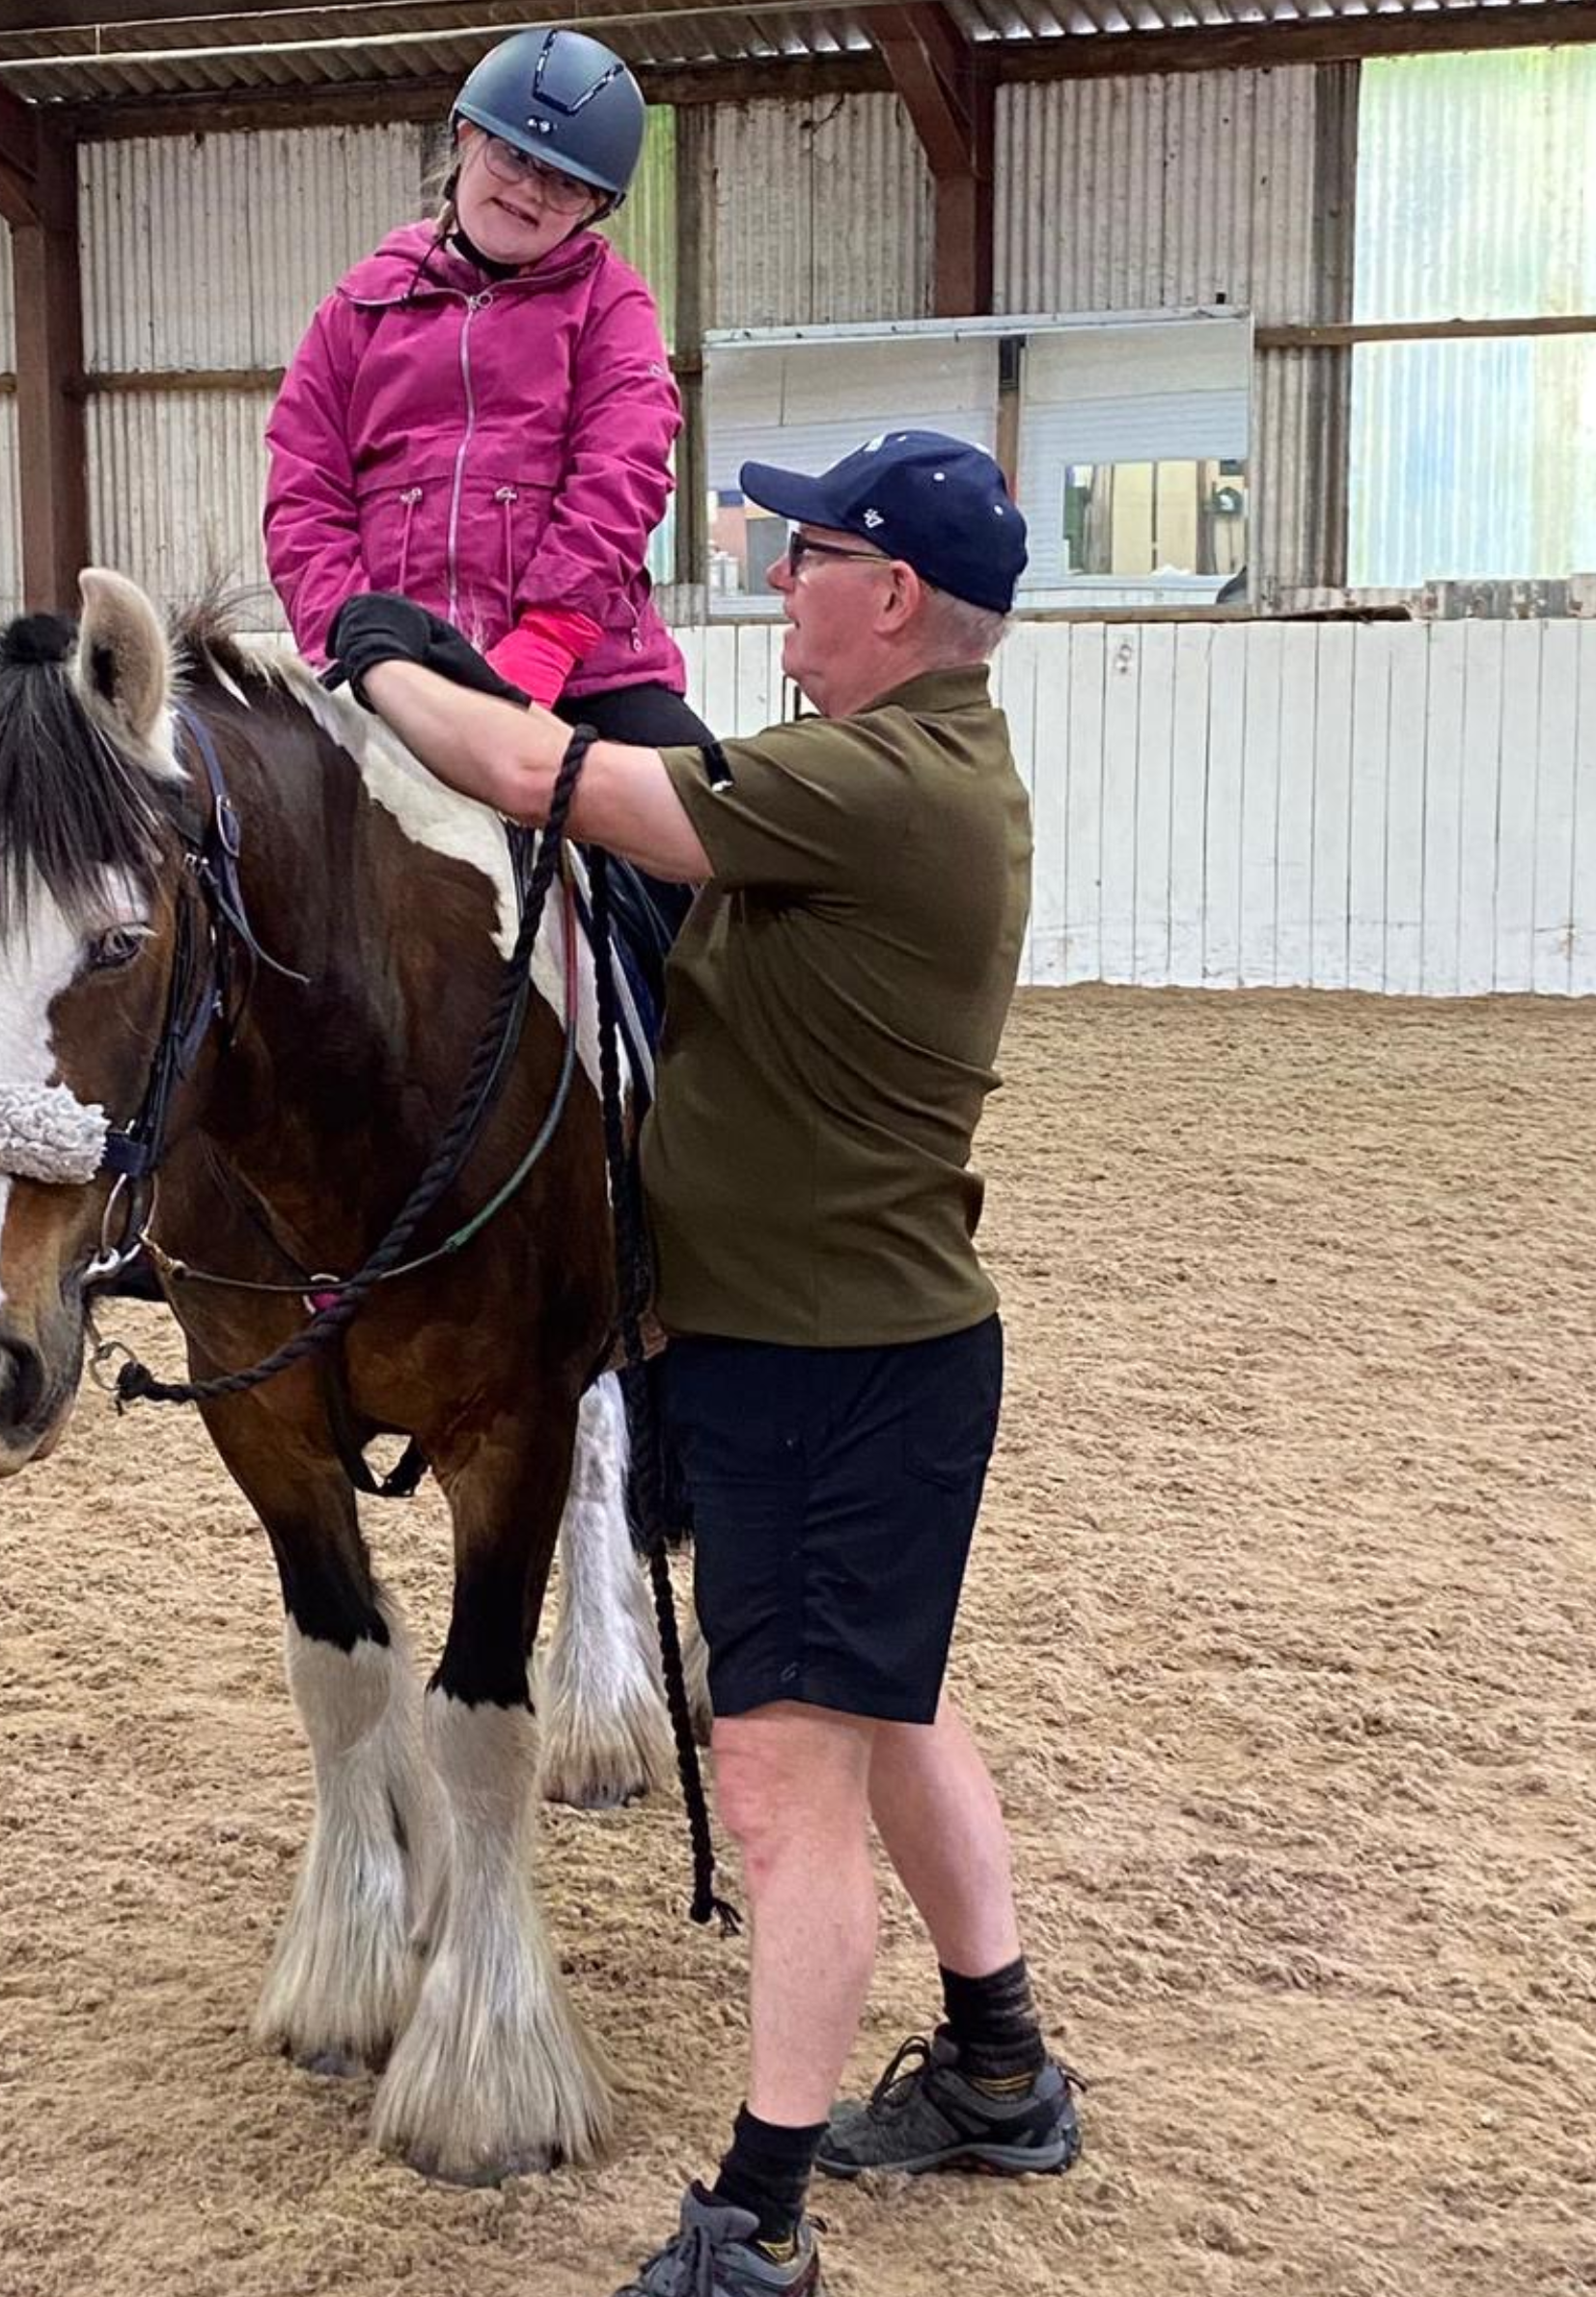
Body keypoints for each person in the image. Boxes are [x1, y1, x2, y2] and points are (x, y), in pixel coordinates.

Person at [324, 432, 1081, 2297]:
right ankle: (1002, 2070)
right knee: (887, 1708)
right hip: (865, 1348)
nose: (772, 571)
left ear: (891, 598)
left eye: (804, 548)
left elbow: (531, 775)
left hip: (824, 1366)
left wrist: (376, 649)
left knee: (778, 1787)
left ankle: (759, 2217)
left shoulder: (869, 783)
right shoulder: (923, 767)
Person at [263, 23, 712, 935]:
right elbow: (305, 488)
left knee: (717, 847)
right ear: (465, 136)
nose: (530, 191)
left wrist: (547, 639)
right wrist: (355, 639)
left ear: (594, 205)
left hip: (584, 674)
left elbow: (622, 470)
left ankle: (709, 1067)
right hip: (396, 675)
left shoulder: (610, 306)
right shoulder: (359, 306)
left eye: (565, 181)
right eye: (514, 155)